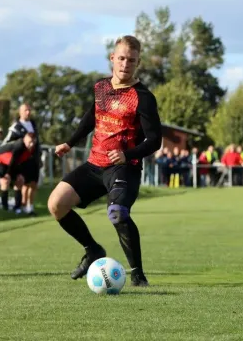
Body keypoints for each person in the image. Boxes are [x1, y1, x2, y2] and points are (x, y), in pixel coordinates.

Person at [47, 35, 162, 286]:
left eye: (131, 60)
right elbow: (91, 117)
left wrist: (127, 154)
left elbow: (155, 141)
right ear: (112, 58)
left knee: (117, 213)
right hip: (94, 165)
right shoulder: (101, 87)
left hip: (124, 168)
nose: (125, 64)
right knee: (56, 204)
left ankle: (138, 274)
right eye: (121, 58)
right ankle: (93, 250)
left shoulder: (143, 97)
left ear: (138, 63)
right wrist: (69, 142)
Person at [1, 103, 41, 215]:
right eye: (25, 110)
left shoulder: (34, 125)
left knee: (33, 184)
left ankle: (30, 207)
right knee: (25, 183)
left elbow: (37, 143)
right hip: (23, 161)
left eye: (29, 110)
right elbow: (6, 143)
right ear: (20, 112)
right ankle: (23, 206)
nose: (28, 112)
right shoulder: (15, 127)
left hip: (34, 159)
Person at [0, 132, 36, 214]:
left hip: (12, 163)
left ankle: (17, 208)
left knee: (20, 181)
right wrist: (8, 174)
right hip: (0, 160)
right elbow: (13, 160)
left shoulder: (32, 149)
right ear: (25, 140)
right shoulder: (19, 146)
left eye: (33, 142)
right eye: (30, 142)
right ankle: (4, 207)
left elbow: (22, 162)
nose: (32, 144)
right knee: (5, 182)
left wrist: (20, 174)